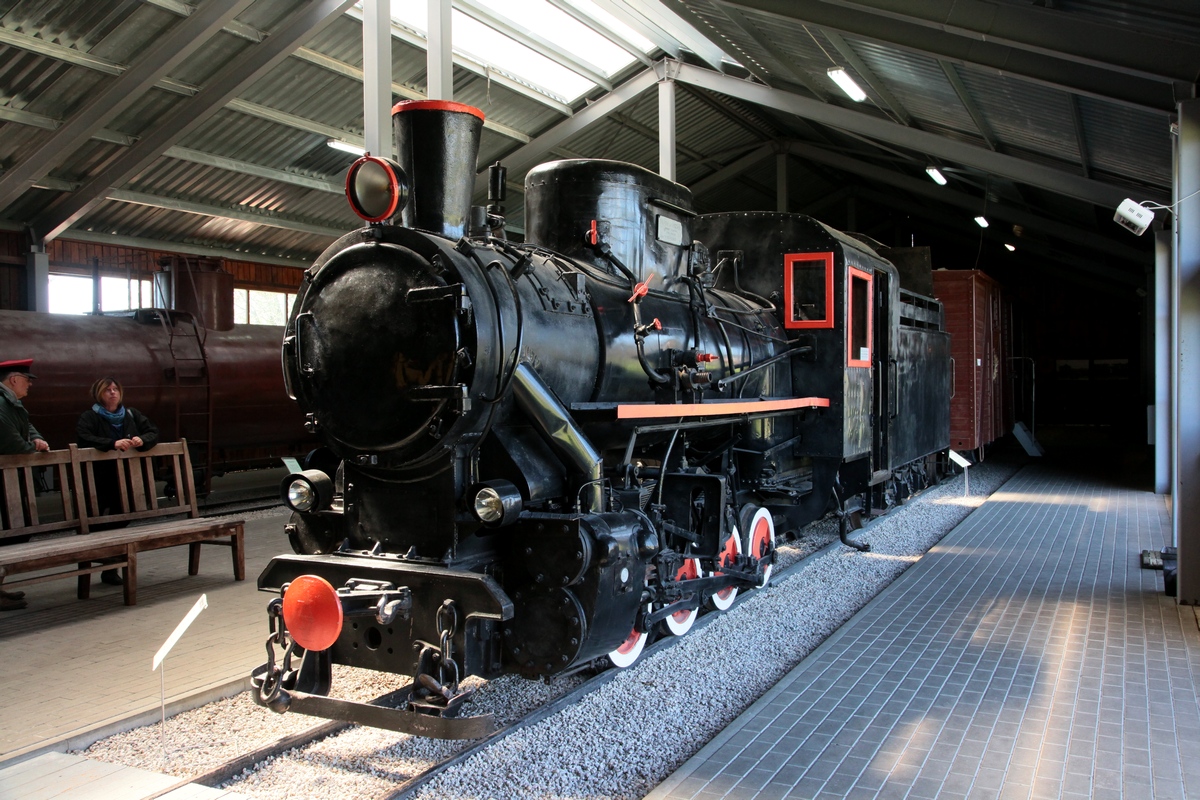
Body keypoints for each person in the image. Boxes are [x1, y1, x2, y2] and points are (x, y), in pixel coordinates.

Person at [76, 377, 160, 586]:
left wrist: (143, 440)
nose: (113, 393)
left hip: (127, 477)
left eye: (115, 389)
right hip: (101, 477)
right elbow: (83, 438)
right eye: (108, 390)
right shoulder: (90, 416)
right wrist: (111, 443)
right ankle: (103, 566)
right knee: (98, 521)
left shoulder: (131, 414)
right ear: (99, 394)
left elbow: (153, 432)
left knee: (123, 515)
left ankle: (112, 567)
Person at [0, 358, 48, 610]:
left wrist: (38, 439)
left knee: (18, 529)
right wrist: (33, 448)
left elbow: (27, 427)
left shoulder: (12, 403)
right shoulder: (1, 403)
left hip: (8, 478)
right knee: (12, 530)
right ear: (14, 379)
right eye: (27, 380)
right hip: (3, 477)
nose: (29, 384)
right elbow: (11, 443)